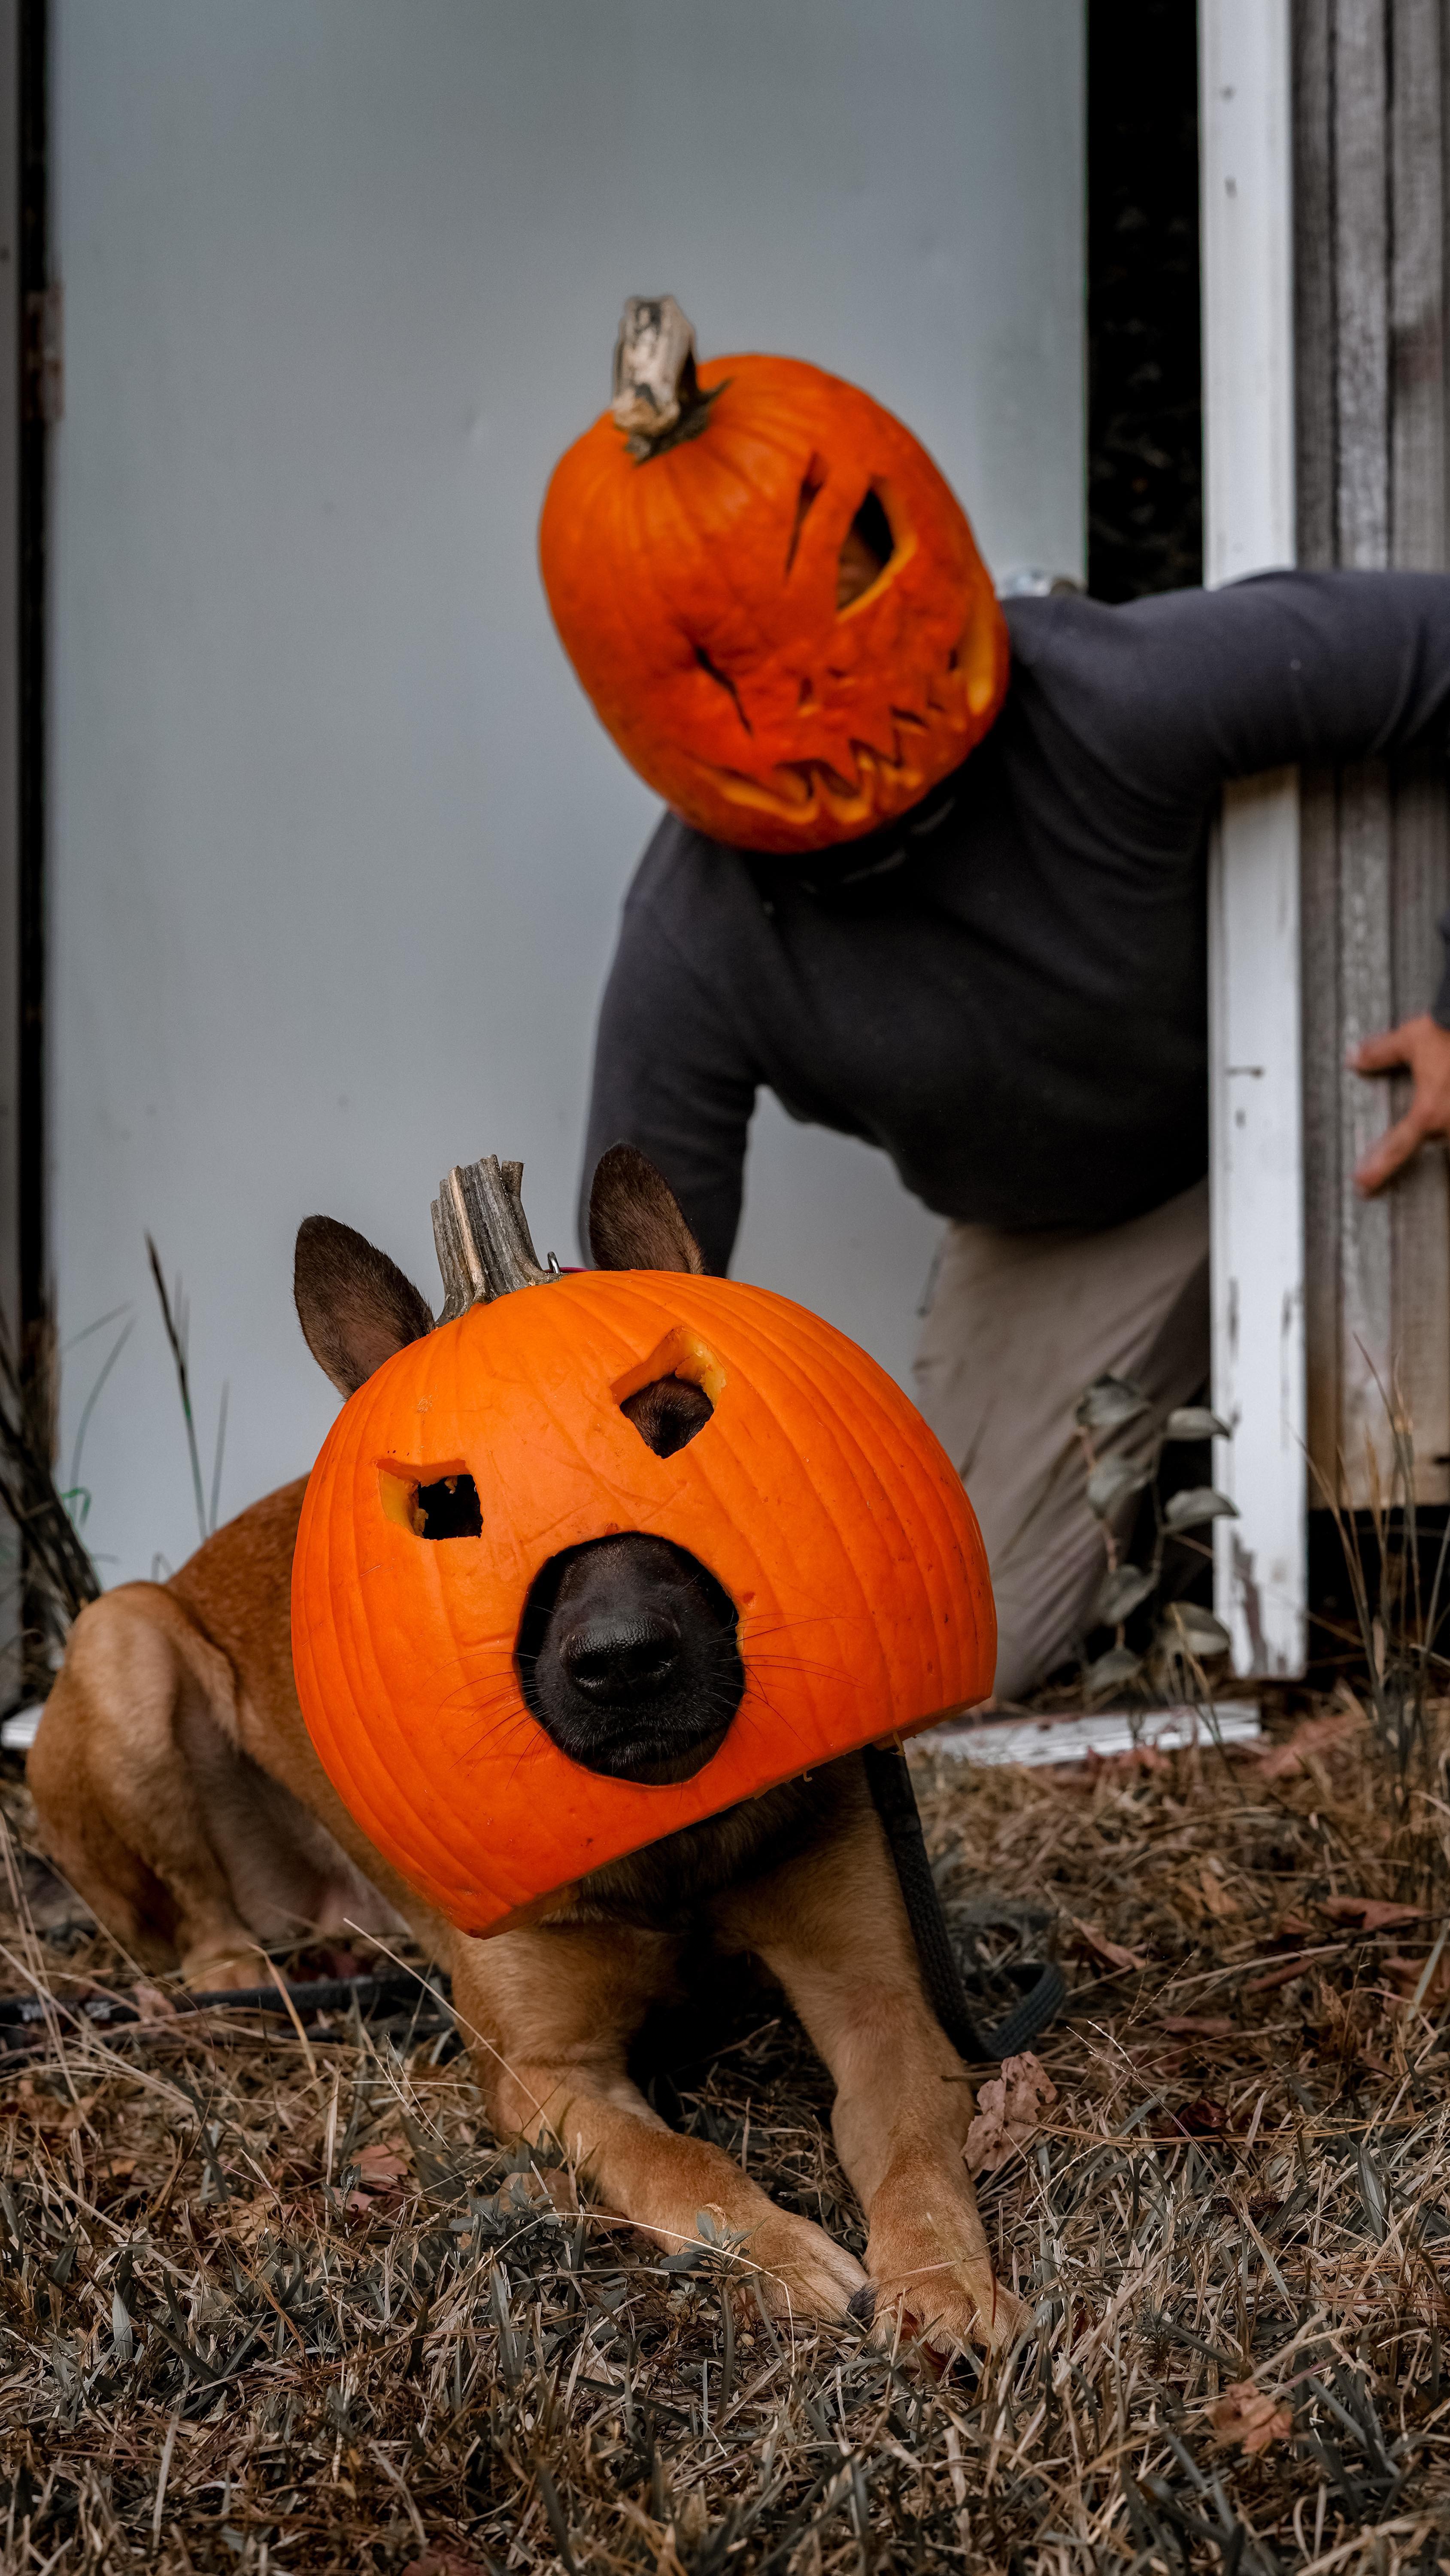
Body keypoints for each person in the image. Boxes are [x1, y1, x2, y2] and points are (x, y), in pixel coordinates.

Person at [541, 300, 1450, 1702]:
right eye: (739, 664)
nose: (819, 678)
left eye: (842, 597)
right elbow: (639, 1318)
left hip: (1331, 1089)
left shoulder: (1114, 692)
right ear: (648, 698)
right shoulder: (692, 939)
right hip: (1063, 1229)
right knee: (950, 1651)